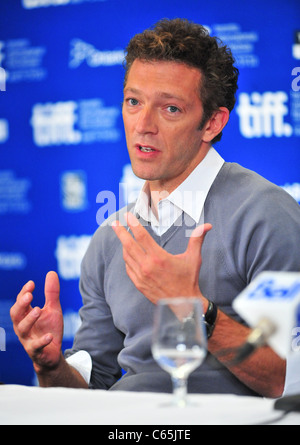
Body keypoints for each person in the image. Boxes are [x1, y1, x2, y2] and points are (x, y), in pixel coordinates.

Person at [11, 18, 300, 398]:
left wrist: (194, 308)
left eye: (170, 109)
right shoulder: (111, 236)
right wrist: (50, 366)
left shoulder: (266, 214)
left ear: (212, 122)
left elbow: (289, 378)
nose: (143, 125)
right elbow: (90, 387)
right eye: (134, 102)